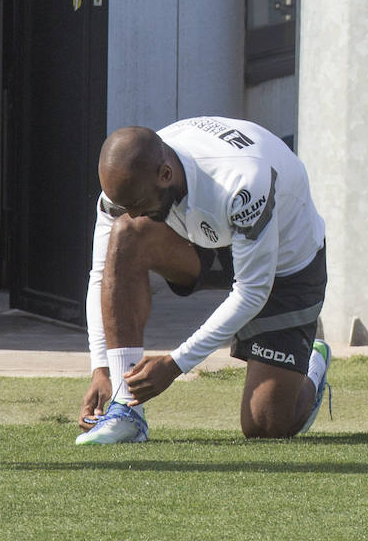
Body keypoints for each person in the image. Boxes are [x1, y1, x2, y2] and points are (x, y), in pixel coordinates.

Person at [76, 118, 331, 444]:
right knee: (125, 234)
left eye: (139, 206)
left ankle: (312, 363)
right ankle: (126, 411)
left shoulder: (243, 182)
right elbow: (102, 274)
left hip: (285, 264)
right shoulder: (130, 181)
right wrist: (102, 369)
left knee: (265, 424)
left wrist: (174, 364)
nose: (133, 213)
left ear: (165, 175)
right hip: (202, 236)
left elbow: (253, 291)